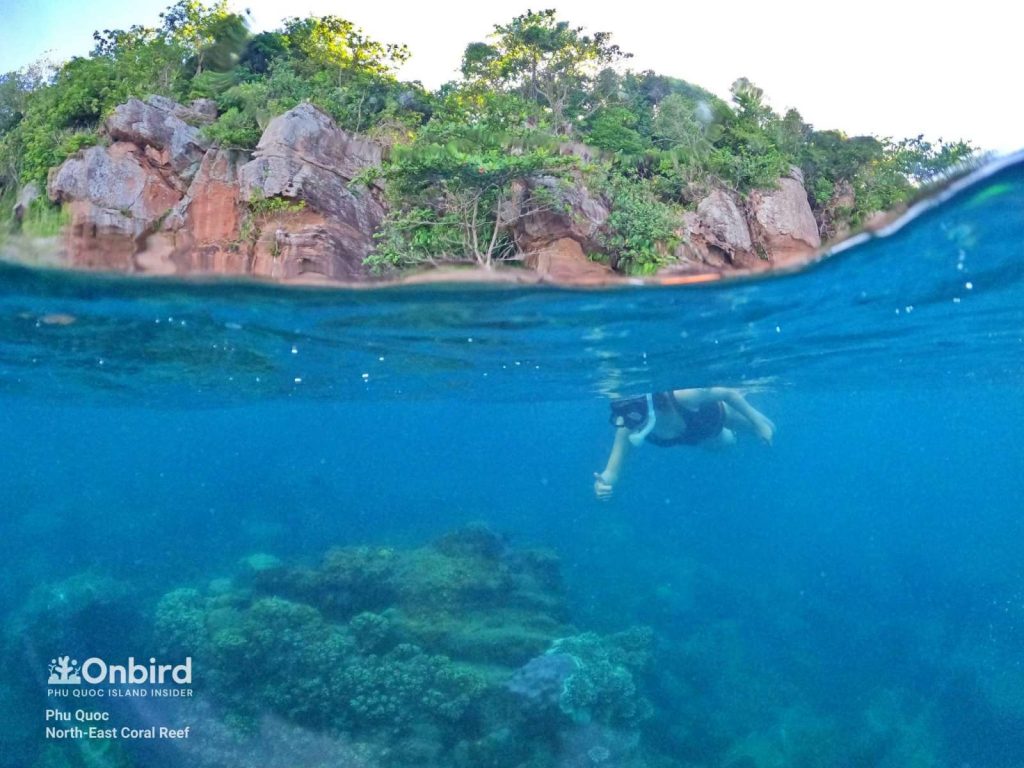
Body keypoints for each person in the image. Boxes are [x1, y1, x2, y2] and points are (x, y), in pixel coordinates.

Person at [593, 388, 775, 500]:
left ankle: (749, 425)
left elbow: (727, 393)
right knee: (728, 444)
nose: (631, 423)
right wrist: (603, 484)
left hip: (722, 414)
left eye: (632, 412)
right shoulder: (628, 426)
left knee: (771, 428)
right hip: (703, 438)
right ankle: (735, 436)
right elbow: (611, 471)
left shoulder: (681, 397)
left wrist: (758, 424)